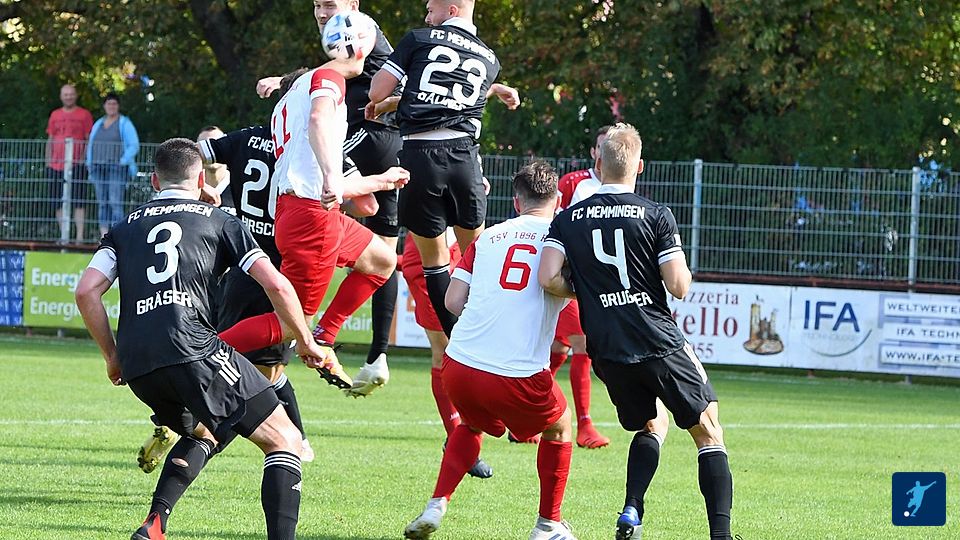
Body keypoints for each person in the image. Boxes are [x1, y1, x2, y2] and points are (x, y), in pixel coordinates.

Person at [75, 138, 331, 540]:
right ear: (200, 180)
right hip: (192, 348)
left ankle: (155, 524)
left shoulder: (124, 227)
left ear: (155, 181)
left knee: (206, 430)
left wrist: (112, 356)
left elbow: (86, 291)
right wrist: (306, 340)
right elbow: (277, 285)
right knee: (286, 439)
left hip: (139, 364)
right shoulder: (219, 220)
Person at [539, 123, 733, 540]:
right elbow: (678, 286)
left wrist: (589, 290)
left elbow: (548, 278)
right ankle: (721, 534)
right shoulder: (655, 214)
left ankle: (632, 510)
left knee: (652, 424)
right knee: (708, 430)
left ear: (598, 164)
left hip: (608, 348)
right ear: (639, 166)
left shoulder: (567, 219)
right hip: (656, 339)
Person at [404, 161, 575, 540]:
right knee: (560, 426)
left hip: (460, 363)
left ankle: (436, 505)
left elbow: (452, 301)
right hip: (516, 371)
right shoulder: (563, 239)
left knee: (471, 424)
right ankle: (548, 524)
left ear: (516, 202)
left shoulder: (489, 236)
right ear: (558, 200)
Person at [217, 61, 407, 397]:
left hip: (290, 216)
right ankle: (201, 355)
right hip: (311, 217)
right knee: (291, 324)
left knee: (382, 260)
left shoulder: (283, 114)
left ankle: (324, 336)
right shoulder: (322, 106)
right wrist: (375, 179)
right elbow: (363, 204)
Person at [368, 0, 519, 340]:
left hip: (420, 156)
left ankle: (458, 342)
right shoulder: (490, 58)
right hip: (465, 157)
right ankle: (493, 336)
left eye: (430, 9)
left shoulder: (418, 39)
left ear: (451, 10)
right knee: (477, 258)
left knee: (435, 262)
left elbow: (377, 91)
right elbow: (454, 97)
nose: (426, 16)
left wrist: (388, 98)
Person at [399, 234, 492, 479]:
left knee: (470, 350)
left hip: (460, 253)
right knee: (445, 350)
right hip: (429, 257)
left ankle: (464, 435)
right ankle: (455, 438)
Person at [550, 125, 612, 449]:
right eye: (601, 146)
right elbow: (553, 224)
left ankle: (524, 416)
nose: (606, 152)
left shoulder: (622, 189)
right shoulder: (574, 183)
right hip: (571, 278)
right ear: (593, 152)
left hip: (599, 281)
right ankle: (585, 425)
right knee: (582, 346)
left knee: (558, 349)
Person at [44, 84, 93, 243]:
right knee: (57, 201)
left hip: (77, 164)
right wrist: (48, 161)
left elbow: (88, 139)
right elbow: (50, 138)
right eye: (65, 94)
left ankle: (79, 237)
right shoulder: (55, 114)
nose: (68, 97)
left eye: (71, 94)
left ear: (76, 95)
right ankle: (63, 236)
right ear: (61, 96)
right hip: (56, 165)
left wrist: (83, 159)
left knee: (79, 200)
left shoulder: (84, 114)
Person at [86, 92, 140, 236]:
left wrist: (122, 161)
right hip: (97, 167)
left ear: (118, 106)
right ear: (104, 106)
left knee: (115, 202)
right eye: (109, 103)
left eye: (114, 104)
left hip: (116, 168)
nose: (111, 106)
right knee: (102, 202)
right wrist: (89, 164)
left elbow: (134, 145)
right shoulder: (98, 123)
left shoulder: (124, 123)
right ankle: (104, 236)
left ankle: (117, 235)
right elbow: (90, 144)